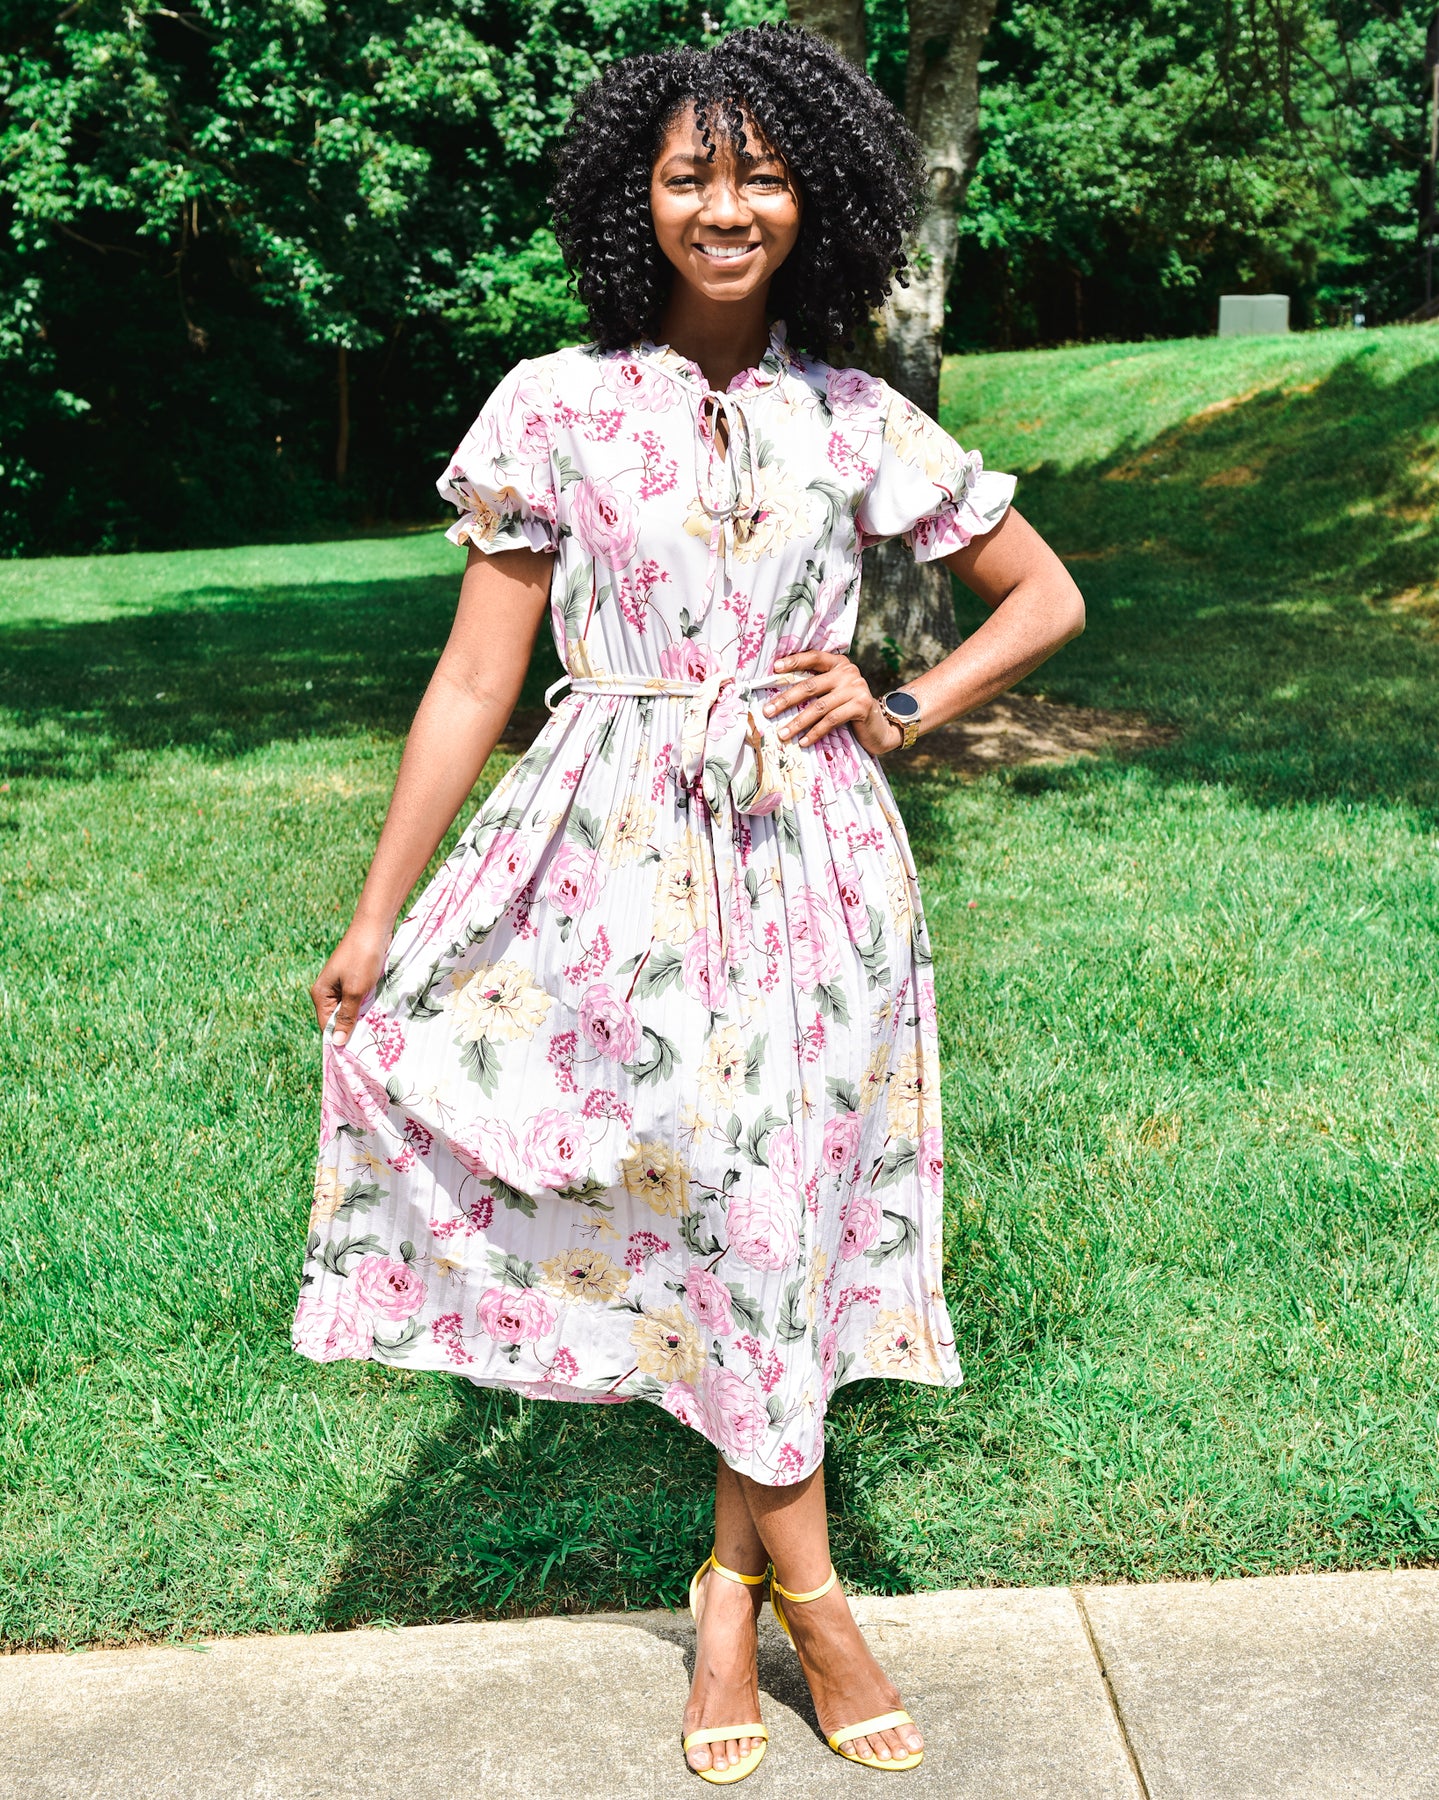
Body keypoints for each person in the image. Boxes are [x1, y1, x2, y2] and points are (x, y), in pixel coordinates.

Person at [297, 23, 1083, 1785]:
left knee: (775, 1214)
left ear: (820, 197)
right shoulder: (553, 406)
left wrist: (896, 705)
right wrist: (375, 915)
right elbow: (473, 681)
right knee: (718, 1198)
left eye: (763, 176)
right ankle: (803, 1590)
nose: (727, 209)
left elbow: (1042, 598)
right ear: (630, 199)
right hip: (610, 859)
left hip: (814, 863)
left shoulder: (856, 416)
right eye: (688, 177)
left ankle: (748, 1590)